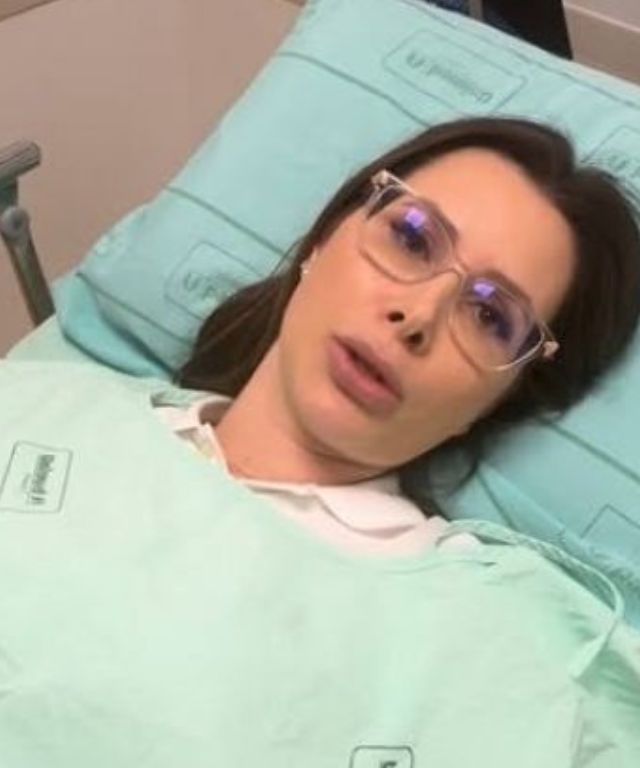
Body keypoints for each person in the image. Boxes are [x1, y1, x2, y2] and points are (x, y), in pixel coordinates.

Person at [1, 117, 640, 766]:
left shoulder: (487, 647)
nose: (417, 317)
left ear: (494, 404)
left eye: (489, 316)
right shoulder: (46, 401)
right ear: (323, 239)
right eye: (412, 238)